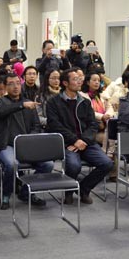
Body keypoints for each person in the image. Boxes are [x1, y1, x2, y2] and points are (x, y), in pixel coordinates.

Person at [46, 67, 113, 205]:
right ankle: (69, 191)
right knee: (74, 165)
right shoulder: (53, 102)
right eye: (75, 79)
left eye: (79, 79)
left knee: (107, 163)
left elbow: (93, 125)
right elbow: (55, 125)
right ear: (65, 83)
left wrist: (83, 140)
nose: (79, 81)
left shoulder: (84, 101)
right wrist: (75, 140)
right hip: (67, 142)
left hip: (86, 142)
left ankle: (84, 189)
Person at [0, 74, 52, 210]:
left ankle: (26, 192)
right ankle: (5, 195)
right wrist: (21, 105)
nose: (16, 86)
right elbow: (2, 112)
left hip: (26, 145)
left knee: (48, 164)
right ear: (5, 87)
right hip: (6, 145)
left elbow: (36, 126)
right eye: (11, 84)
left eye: (18, 83)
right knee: (12, 164)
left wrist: (30, 138)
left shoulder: (28, 103)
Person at [80, 72, 112, 148]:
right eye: (94, 80)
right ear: (88, 82)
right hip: (93, 127)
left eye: (98, 80)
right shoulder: (82, 95)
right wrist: (102, 117)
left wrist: (107, 115)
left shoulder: (102, 94)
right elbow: (89, 112)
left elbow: (109, 107)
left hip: (105, 123)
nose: (97, 82)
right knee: (108, 139)